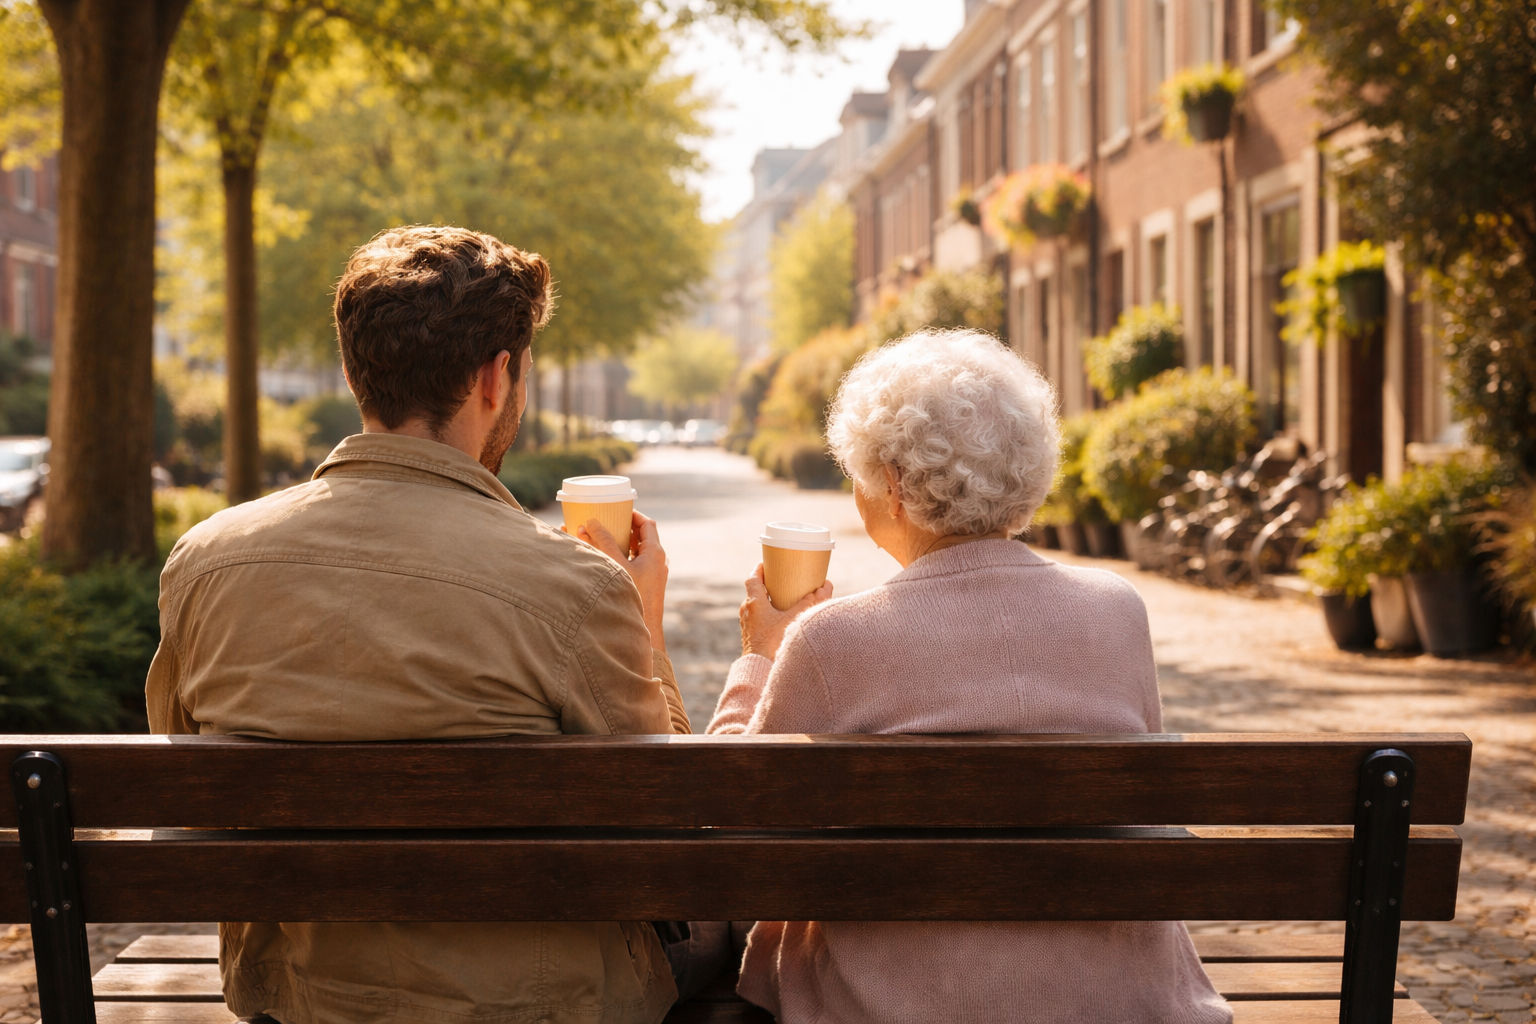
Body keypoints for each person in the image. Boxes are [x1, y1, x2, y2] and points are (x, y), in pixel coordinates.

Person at [146, 225, 690, 1024]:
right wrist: (641, 615)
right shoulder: (576, 588)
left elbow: (190, 791)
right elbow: (665, 825)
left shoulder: (205, 562)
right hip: (542, 1002)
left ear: (353, 369)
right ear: (496, 379)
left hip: (296, 996)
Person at [708, 329, 1233, 1024]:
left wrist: (761, 653)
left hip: (893, 1005)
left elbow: (728, 832)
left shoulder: (832, 640)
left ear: (891, 485)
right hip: (1113, 999)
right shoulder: (1117, 612)